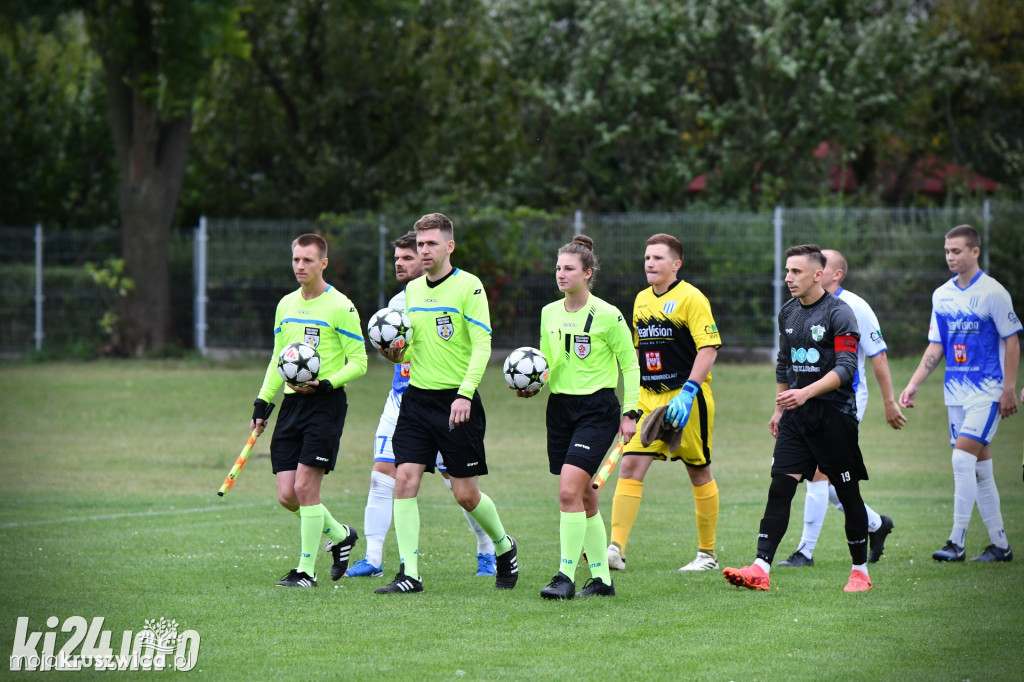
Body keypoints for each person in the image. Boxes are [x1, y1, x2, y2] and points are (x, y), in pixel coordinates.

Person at [374, 213, 518, 594]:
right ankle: (410, 573)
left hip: (458, 402)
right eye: (420, 244)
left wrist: (465, 393)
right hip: (417, 399)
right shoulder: (411, 292)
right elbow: (410, 349)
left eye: (431, 244)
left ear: (449, 246)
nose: (424, 251)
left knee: (465, 493)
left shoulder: (469, 287)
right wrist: (394, 353)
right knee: (404, 480)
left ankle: (504, 546)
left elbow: (482, 345)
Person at [723, 243, 874, 593]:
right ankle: (760, 567)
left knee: (848, 492)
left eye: (796, 272)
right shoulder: (788, 313)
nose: (788, 278)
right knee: (780, 486)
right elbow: (784, 363)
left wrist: (806, 392)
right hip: (796, 418)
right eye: (787, 271)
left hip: (834, 417)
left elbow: (847, 369)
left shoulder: (840, 313)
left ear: (818, 275)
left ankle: (860, 571)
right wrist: (779, 407)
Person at [347, 232, 496, 578]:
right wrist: (393, 355)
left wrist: (464, 392)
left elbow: (475, 345)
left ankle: (489, 548)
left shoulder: (456, 291)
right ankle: (375, 558)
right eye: (398, 257)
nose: (401, 262)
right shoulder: (399, 304)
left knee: (459, 487)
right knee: (384, 476)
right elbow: (403, 353)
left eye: (408, 257)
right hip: (403, 399)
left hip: (446, 400)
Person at [513, 235, 640, 600]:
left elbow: (630, 367)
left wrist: (630, 412)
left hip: (597, 411)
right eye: (558, 268)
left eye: (569, 268)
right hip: (560, 410)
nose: (561, 274)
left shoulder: (608, 315)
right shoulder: (549, 312)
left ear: (587, 273)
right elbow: (550, 364)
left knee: (568, 491)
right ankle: (601, 581)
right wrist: (534, 385)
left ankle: (565, 577)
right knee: (584, 497)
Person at [250, 233, 367, 587]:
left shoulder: (341, 306)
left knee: (305, 489)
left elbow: (359, 361)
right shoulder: (285, 305)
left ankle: (305, 571)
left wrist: (327, 382)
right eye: (296, 260)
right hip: (291, 406)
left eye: (307, 260)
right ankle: (341, 535)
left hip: (325, 404)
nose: (300, 266)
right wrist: (262, 402)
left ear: (323, 263)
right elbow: (277, 359)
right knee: (287, 495)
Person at [899, 224, 1020, 563]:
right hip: (955, 394)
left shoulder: (994, 293)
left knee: (961, 459)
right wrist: (914, 382)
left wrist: (1008, 389)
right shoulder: (942, 295)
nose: (951, 257)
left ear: (975, 252)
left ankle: (956, 542)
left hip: (988, 393)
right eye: (947, 251)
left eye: (957, 251)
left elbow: (1012, 341)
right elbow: (937, 345)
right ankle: (1000, 546)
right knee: (981, 470)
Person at [778, 249, 906, 568]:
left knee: (819, 474)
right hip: (806, 404)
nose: (806, 273)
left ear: (834, 274)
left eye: (821, 268)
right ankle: (875, 524)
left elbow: (878, 356)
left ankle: (805, 552)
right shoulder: (799, 310)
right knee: (824, 475)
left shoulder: (853, 308)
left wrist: (889, 402)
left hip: (843, 401)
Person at [607, 233, 722, 573]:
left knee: (698, 470)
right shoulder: (641, 299)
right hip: (648, 397)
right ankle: (615, 550)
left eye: (658, 258)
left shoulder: (691, 298)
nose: (649, 263)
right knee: (630, 466)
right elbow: (637, 354)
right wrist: (631, 403)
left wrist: (688, 392)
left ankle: (707, 555)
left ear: (676, 264)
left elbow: (709, 348)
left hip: (688, 396)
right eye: (647, 258)